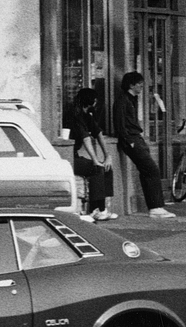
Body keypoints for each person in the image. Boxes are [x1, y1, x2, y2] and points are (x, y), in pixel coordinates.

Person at [113, 72, 174, 218]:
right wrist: (129, 141)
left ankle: (156, 206)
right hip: (132, 139)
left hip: (136, 138)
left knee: (149, 170)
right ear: (131, 85)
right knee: (151, 170)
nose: (141, 87)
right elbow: (120, 123)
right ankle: (155, 207)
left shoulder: (132, 99)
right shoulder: (123, 100)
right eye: (139, 84)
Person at [68, 87, 115, 221]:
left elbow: (98, 133)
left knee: (107, 168)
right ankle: (96, 209)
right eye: (95, 100)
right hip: (69, 157)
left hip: (75, 156)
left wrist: (107, 156)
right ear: (92, 101)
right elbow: (85, 138)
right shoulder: (75, 115)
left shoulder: (86, 116)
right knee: (96, 169)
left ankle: (105, 208)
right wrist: (95, 159)